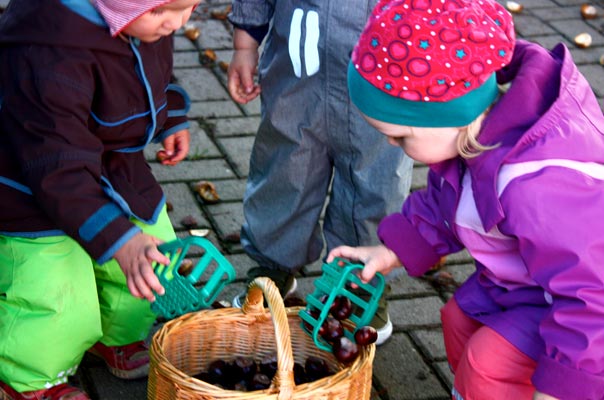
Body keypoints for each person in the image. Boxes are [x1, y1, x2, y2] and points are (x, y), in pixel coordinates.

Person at [326, 0, 604, 398]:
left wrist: (565, 385)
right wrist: (390, 253)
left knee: (486, 362)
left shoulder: (537, 185)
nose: (391, 143)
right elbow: (446, 206)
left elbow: (589, 294)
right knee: (458, 320)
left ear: (449, 116)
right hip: (520, 287)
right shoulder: (471, 143)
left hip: (568, 305)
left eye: (401, 136)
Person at [0, 0, 198, 398]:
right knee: (54, 290)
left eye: (190, 6)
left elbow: (151, 71)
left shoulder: (138, 21)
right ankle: (31, 377)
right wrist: (118, 239)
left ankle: (118, 335)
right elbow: (57, 165)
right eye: (165, 12)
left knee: (152, 252)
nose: (176, 22)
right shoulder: (50, 51)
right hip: (33, 182)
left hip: (111, 165)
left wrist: (168, 114)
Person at [226, 0, 415, 344]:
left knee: (374, 184)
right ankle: (273, 262)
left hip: (383, 78)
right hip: (296, 74)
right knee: (284, 171)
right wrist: (245, 43)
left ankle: (360, 282)